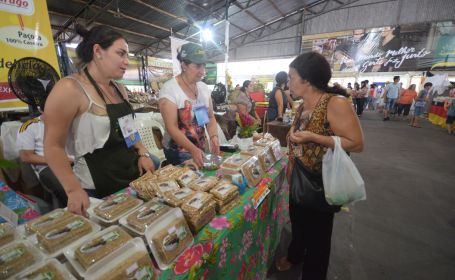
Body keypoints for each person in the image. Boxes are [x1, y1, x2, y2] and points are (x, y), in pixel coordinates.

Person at [44, 25, 160, 216]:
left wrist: (143, 153)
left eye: (127, 56)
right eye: (121, 54)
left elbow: (129, 130)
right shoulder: (69, 89)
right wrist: (73, 190)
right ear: (98, 51)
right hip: (96, 187)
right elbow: (53, 146)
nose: (126, 62)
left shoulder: (119, 89)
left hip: (131, 177)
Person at [275, 52, 364, 280]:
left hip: (320, 183)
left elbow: (356, 143)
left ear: (306, 79)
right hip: (298, 180)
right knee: (298, 224)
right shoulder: (301, 106)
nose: (289, 82)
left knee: (319, 240)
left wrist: (315, 138)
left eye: (293, 76)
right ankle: (295, 256)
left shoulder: (335, 103)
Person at [159, 42, 220, 168]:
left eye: (203, 65)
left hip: (199, 148)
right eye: (197, 66)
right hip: (178, 151)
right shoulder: (170, 89)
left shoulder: (203, 88)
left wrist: (214, 136)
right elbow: (172, 128)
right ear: (184, 65)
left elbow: (211, 118)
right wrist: (192, 149)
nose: (202, 71)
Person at [17, 115, 71, 208]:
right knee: (66, 188)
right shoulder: (29, 126)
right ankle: (74, 213)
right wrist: (57, 160)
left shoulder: (71, 120)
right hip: (48, 165)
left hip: (76, 159)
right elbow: (26, 157)